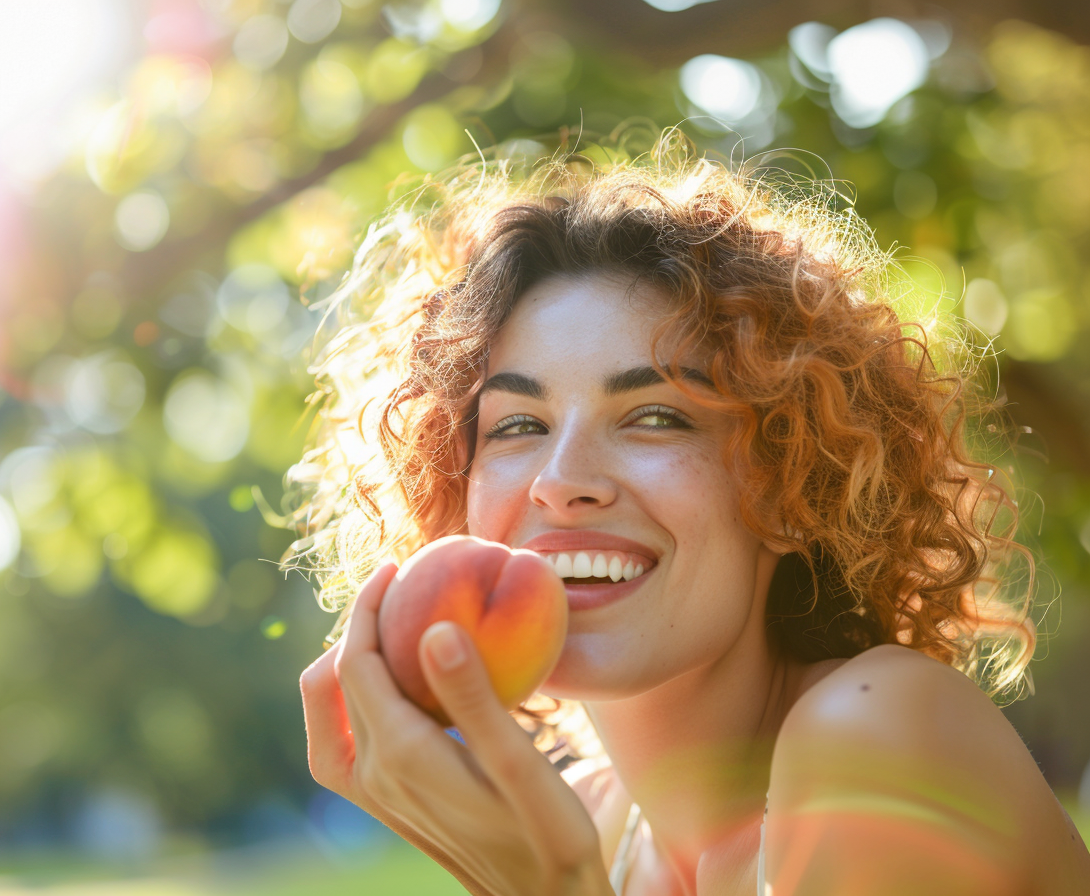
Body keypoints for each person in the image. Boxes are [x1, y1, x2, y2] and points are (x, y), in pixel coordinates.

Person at [290, 133, 1090, 895]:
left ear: (791, 488)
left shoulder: (880, 733)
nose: (562, 481)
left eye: (655, 416)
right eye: (518, 426)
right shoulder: (600, 823)